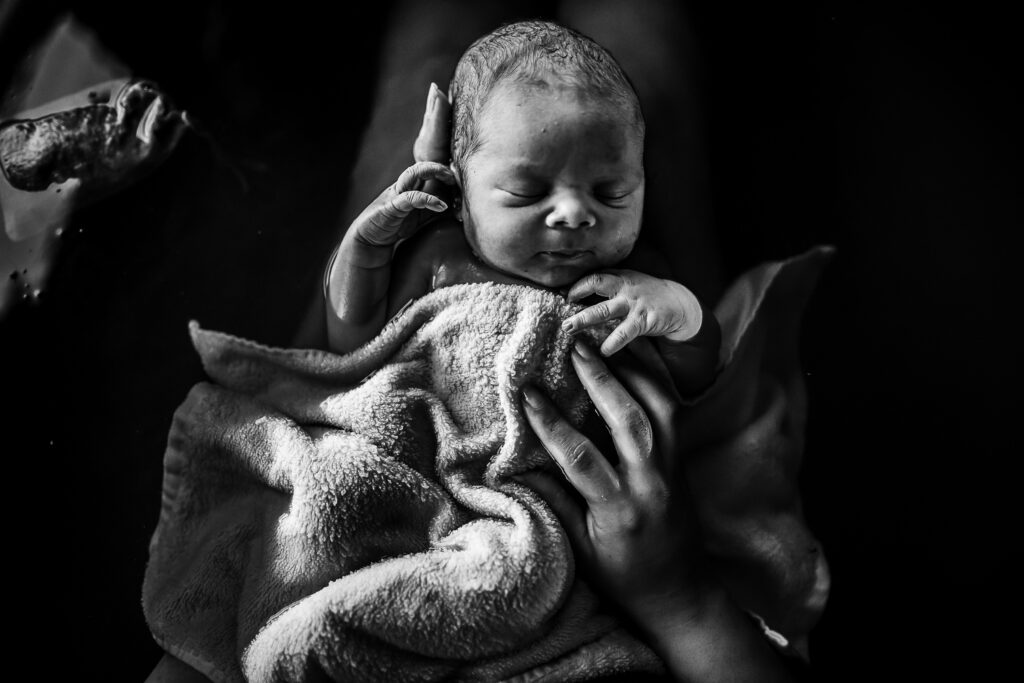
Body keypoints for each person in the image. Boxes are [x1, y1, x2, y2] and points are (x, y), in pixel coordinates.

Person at [323, 20, 721, 398]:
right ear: (458, 195)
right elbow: (359, 349)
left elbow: (692, 383)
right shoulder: (438, 257)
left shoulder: (634, 285)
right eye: (527, 192)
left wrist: (682, 314)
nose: (573, 213)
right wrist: (364, 249)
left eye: (611, 193)